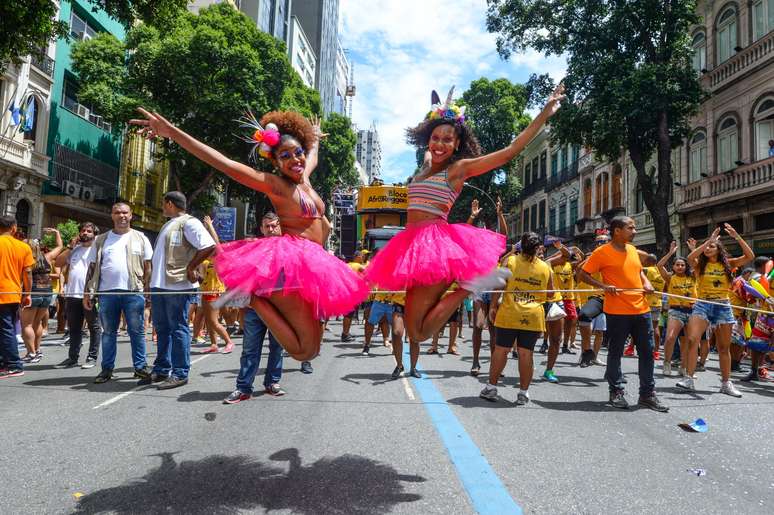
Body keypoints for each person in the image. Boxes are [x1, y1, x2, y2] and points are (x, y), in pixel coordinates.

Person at [130, 109, 368, 363]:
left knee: (310, 350)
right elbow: (224, 163)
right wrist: (172, 133)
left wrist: (315, 138)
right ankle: (253, 298)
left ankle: (254, 298)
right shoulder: (276, 185)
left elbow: (312, 156)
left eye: (297, 152)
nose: (295, 159)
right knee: (305, 351)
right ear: (275, 163)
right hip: (293, 265)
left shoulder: (304, 180)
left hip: (314, 264)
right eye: (285, 156)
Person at [365, 83, 548, 377]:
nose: (439, 144)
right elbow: (429, 142)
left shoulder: (458, 169)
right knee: (414, 329)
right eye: (435, 137)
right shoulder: (425, 164)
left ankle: (468, 286)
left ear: (458, 143)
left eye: (447, 140)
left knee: (419, 333)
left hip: (433, 247)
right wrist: (438, 111)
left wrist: (545, 112)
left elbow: (510, 151)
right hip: (411, 246)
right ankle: (468, 287)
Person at [577, 216, 668, 412]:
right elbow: (582, 274)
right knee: (615, 352)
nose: (634, 231)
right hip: (617, 311)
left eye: (634, 228)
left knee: (647, 353)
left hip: (641, 309)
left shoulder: (633, 250)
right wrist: (603, 286)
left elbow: (638, 271)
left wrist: (646, 282)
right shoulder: (602, 252)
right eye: (630, 228)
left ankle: (647, 394)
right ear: (617, 230)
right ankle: (616, 391)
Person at [143, 191, 216, 389]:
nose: (162, 207)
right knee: (163, 329)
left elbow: (209, 246)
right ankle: (161, 369)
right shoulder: (170, 223)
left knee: (178, 328)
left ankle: (180, 372)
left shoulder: (189, 222)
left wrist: (192, 267)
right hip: (161, 285)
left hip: (177, 285)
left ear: (169, 204)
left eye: (163, 203)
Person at [677, 224, 754, 396]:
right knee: (692, 339)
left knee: (723, 347)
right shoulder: (699, 265)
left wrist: (737, 237)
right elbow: (690, 257)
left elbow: (750, 256)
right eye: (706, 246)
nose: (708, 248)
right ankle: (688, 378)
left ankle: (726, 384)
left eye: (712, 246)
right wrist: (707, 242)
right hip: (703, 304)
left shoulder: (730, 264)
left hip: (722, 306)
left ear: (719, 249)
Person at [84, 203, 154, 384]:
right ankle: (107, 369)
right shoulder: (101, 239)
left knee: (137, 332)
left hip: (134, 292)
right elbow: (92, 266)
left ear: (131, 215)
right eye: (117, 212)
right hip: (106, 294)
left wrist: (148, 290)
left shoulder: (141, 238)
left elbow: (148, 267)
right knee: (108, 333)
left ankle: (140, 367)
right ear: (112, 215)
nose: (121, 216)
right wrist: (87, 293)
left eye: (125, 212)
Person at [480, 232, 553, 404]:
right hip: (533, 316)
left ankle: (491, 388)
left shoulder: (510, 261)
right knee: (526, 354)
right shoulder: (546, 267)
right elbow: (551, 294)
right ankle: (523, 393)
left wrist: (492, 306)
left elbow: (498, 285)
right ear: (538, 248)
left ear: (521, 246)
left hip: (509, 314)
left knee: (501, 350)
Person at [224, 212, 286, 404]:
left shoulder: (288, 248)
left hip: (280, 308)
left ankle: (272, 383)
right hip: (255, 307)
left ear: (280, 226)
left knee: (277, 348)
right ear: (261, 228)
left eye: (274, 225)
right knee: (250, 350)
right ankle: (243, 388)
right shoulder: (254, 247)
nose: (271, 229)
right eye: (267, 226)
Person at [467, 198, 508, 376]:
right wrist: (472, 216)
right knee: (478, 325)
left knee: (494, 329)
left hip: (493, 289)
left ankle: (494, 364)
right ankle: (475, 362)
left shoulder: (496, 249)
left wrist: (500, 214)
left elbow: (504, 235)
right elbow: (465, 232)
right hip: (478, 289)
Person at [54, 222, 102, 369]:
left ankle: (92, 357)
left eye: (89, 231)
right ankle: (72, 357)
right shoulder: (75, 250)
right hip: (72, 294)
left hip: (90, 294)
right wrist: (70, 247)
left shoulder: (98, 249)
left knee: (94, 327)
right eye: (83, 230)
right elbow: (58, 262)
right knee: (74, 327)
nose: (85, 233)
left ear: (94, 234)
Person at [21, 229, 63, 363]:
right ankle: (37, 350)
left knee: (26, 325)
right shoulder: (47, 257)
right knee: (37, 322)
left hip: (32, 293)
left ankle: (31, 353)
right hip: (47, 293)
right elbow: (60, 247)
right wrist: (57, 233)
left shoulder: (27, 261)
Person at [0, 216, 34, 378]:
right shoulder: (23, 247)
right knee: (7, 329)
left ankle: (14, 364)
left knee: (5, 330)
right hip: (13, 293)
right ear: (14, 228)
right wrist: (27, 293)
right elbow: (27, 273)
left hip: (3, 294)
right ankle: (5, 362)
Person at [656, 241, 696, 376]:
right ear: (673, 267)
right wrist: (670, 253)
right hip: (676, 311)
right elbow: (659, 265)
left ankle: (683, 367)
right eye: (677, 264)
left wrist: (693, 250)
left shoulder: (694, 277)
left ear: (686, 266)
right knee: (670, 338)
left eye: (682, 265)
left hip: (692, 312)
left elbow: (699, 265)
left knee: (688, 341)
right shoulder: (669, 278)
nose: (680, 267)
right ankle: (667, 362)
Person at [197, 215, 234, 354]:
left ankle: (228, 342)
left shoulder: (220, 258)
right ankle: (214, 344)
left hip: (215, 293)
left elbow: (216, 242)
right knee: (208, 320)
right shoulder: (204, 260)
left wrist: (210, 226)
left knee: (213, 321)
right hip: (205, 292)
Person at [576, 232, 611, 367]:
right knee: (586, 323)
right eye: (598, 242)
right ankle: (586, 354)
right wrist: (590, 257)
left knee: (601, 332)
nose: (600, 244)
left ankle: (595, 357)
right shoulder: (594, 258)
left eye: (603, 242)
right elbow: (579, 270)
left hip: (614, 300)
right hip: (596, 298)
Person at [637, 253, 667, 360]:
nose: (643, 262)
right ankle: (656, 352)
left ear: (648, 261)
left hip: (644, 303)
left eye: (645, 260)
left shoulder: (645, 270)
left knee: (638, 327)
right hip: (657, 303)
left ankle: (633, 348)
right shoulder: (662, 272)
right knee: (655, 328)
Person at [342, 251, 366, 342]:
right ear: (357, 257)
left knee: (347, 314)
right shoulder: (358, 266)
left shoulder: (347, 265)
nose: (363, 258)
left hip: (346, 291)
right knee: (349, 315)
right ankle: (345, 334)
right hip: (353, 293)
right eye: (361, 256)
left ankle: (346, 333)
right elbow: (368, 275)